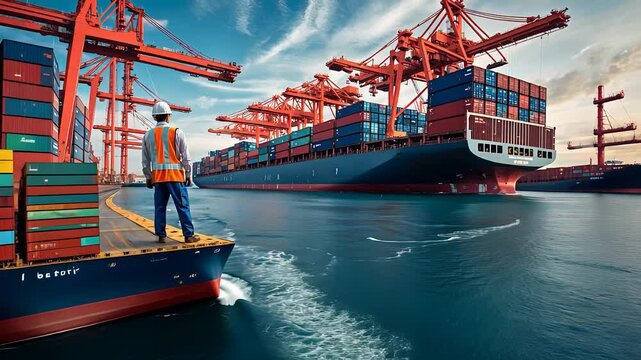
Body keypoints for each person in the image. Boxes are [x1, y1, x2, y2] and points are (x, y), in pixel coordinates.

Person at [142, 101, 200, 244]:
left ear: (155, 117)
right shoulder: (177, 132)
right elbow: (186, 157)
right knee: (182, 206)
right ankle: (188, 236)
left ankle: (161, 236)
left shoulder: (147, 135)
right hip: (175, 177)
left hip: (158, 179)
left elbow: (145, 161)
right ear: (168, 116)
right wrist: (188, 174)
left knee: (160, 207)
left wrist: (148, 178)